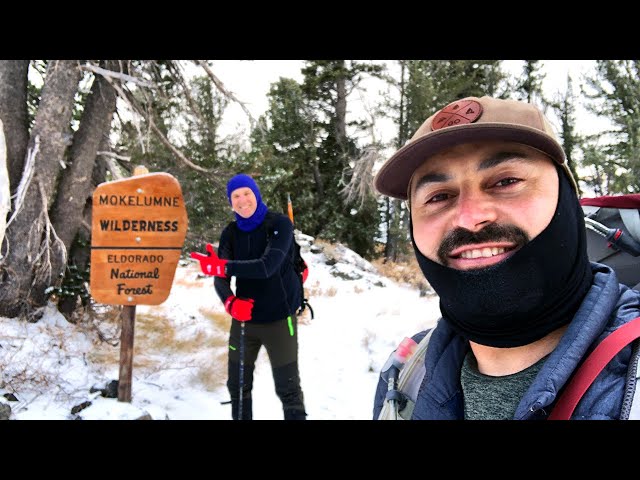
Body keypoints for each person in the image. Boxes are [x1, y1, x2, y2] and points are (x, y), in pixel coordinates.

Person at [372, 96, 640, 420]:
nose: (469, 217)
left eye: (506, 181)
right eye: (439, 197)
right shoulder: (404, 375)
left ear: (568, 200)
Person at [190, 174, 306, 420]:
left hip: (279, 319)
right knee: (238, 386)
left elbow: (267, 266)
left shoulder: (279, 224)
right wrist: (230, 302)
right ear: (230, 203)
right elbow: (219, 276)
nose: (242, 201)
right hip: (244, 320)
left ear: (256, 194)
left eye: (247, 194)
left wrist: (224, 267)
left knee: (288, 389)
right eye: (236, 196)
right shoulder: (230, 233)